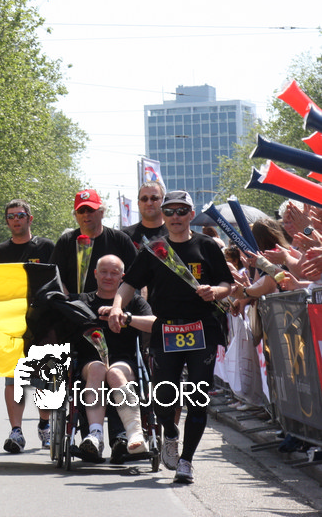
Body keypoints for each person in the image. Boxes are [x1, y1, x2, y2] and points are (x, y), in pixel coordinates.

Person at [109, 190, 233, 484]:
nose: (175, 217)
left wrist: (215, 291)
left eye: (181, 211)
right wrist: (116, 307)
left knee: (198, 397)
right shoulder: (154, 250)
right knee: (164, 397)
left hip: (201, 328)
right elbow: (129, 284)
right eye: (170, 211)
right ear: (163, 216)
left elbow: (227, 283)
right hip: (166, 330)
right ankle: (171, 432)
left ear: (191, 214)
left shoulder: (206, 246)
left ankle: (186, 461)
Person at [73, 255, 154, 461]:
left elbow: (155, 324)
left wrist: (127, 318)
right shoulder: (82, 302)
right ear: (95, 274)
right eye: (104, 272)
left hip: (125, 362)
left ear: (122, 277)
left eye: (114, 273)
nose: (108, 277)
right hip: (90, 364)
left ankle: (134, 433)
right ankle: (95, 435)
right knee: (99, 368)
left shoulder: (134, 302)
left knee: (114, 373)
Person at [0, 198, 54, 453]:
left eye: (20, 215)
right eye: (11, 216)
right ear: (7, 222)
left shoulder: (47, 247)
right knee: (13, 378)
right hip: (12, 323)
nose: (15, 220)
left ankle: (45, 425)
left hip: (43, 321)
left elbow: (58, 281)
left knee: (44, 378)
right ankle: (16, 431)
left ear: (30, 218)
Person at [51, 189, 137, 296]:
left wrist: (119, 303)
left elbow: (136, 276)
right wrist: (68, 301)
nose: (86, 214)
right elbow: (56, 278)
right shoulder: (65, 242)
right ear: (76, 216)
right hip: (74, 304)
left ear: (102, 212)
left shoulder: (120, 240)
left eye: (90, 210)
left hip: (113, 304)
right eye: (81, 211)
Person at [121, 181, 168, 249]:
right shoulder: (124, 236)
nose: (149, 203)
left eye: (154, 198)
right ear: (138, 203)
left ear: (163, 201)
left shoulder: (174, 233)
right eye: (144, 199)